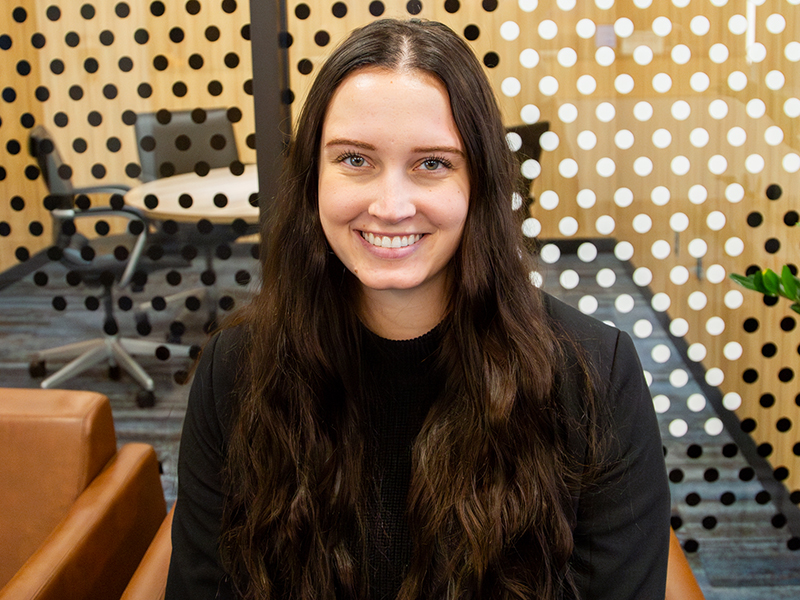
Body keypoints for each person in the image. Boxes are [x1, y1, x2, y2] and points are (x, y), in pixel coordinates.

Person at [166, 18, 670, 600]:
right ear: (313, 180)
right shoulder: (238, 368)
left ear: (479, 182)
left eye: (432, 163)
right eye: (355, 159)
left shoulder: (592, 374)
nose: (391, 205)